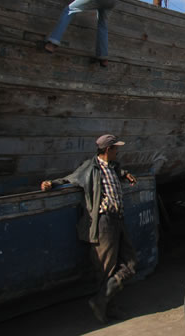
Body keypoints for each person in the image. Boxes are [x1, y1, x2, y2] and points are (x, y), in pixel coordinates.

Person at [40, 134, 137, 324]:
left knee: (131, 263)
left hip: (118, 219)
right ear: (108, 150)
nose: (118, 151)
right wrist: (51, 184)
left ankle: (102, 301)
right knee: (106, 269)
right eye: (116, 148)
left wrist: (125, 173)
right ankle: (106, 305)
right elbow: (71, 179)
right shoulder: (91, 168)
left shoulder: (113, 167)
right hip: (103, 222)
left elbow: (117, 171)